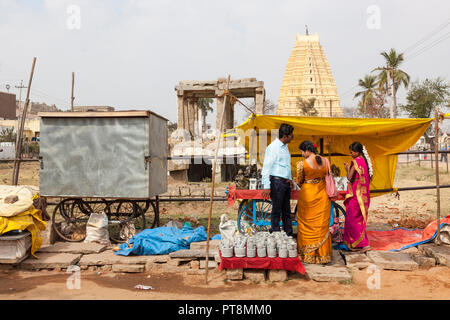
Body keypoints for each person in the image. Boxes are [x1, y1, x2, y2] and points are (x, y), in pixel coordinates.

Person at [296, 140, 332, 264]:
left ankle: (308, 255)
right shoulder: (325, 161)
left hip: (307, 197)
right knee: (321, 226)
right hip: (323, 197)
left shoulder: (302, 164)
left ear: (307, 151)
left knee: (306, 225)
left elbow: (299, 181)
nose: (301, 154)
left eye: (302, 152)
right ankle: (323, 256)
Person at [261, 123, 294, 236]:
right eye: (291, 135)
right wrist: (266, 186)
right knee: (276, 210)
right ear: (285, 136)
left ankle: (288, 234)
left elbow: (286, 165)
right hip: (276, 182)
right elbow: (266, 167)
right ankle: (275, 234)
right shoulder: (273, 147)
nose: (292, 137)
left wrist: (290, 179)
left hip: (285, 183)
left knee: (286, 211)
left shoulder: (285, 147)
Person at [343, 142, 373, 253]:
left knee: (352, 219)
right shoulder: (364, 161)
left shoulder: (355, 162)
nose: (350, 154)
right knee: (359, 219)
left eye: (351, 152)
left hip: (356, 195)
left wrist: (347, 168)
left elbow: (350, 178)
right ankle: (358, 243)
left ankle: (364, 244)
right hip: (364, 195)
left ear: (356, 151)